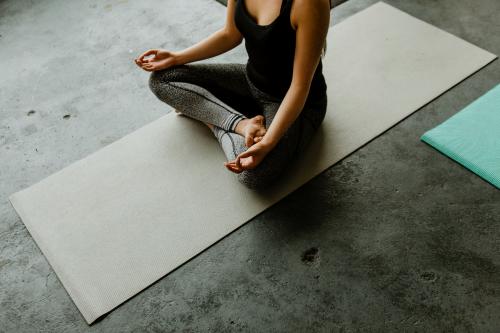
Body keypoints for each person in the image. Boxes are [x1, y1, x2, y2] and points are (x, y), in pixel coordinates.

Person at [135, 0, 331, 190]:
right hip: (251, 81)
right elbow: (230, 34)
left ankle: (215, 119)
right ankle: (241, 125)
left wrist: (268, 143)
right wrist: (176, 57)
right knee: (163, 79)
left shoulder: (310, 3)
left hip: (294, 103)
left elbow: (299, 86)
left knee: (252, 175)